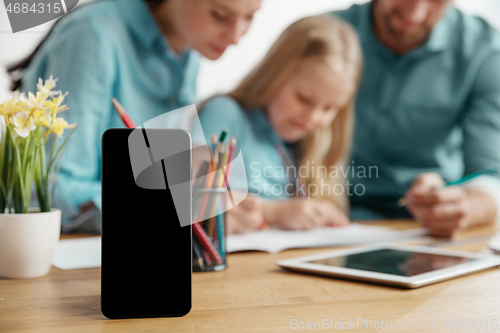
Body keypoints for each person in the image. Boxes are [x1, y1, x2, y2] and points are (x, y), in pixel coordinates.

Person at [7, 0, 262, 233]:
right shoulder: (92, 34)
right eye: (220, 15)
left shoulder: (188, 51)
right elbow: (47, 190)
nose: (236, 37)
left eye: (250, 17)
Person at [329, 0, 500, 237]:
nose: (416, 14)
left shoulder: (485, 50)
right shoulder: (323, 35)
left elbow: (489, 175)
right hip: (332, 217)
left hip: (426, 229)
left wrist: (466, 206)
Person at [196, 15, 363, 234]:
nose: (313, 117)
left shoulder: (310, 145)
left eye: (329, 108)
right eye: (303, 99)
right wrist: (274, 213)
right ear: (274, 75)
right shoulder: (226, 114)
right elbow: (190, 197)